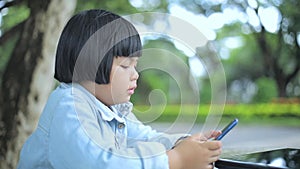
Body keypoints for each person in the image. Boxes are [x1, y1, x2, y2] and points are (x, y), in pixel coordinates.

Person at [17, 9, 222, 169]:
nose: (135, 74)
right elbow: (98, 164)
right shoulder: (70, 104)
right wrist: (175, 159)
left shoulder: (114, 107)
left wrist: (184, 143)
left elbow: (145, 136)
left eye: (135, 65)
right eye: (126, 65)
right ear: (91, 63)